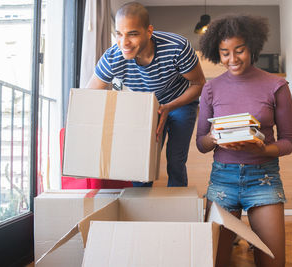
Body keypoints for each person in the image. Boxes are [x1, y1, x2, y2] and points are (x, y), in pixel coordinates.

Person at [196, 15, 292, 267]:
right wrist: (215, 137)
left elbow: (288, 142)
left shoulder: (276, 85)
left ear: (252, 47)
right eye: (224, 53)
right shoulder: (210, 89)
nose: (232, 59)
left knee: (272, 261)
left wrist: (264, 147)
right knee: (214, 259)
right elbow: (201, 144)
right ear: (216, 53)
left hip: (264, 178)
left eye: (239, 51)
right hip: (222, 180)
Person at [86, 2, 206, 187]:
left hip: (180, 102)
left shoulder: (177, 47)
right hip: (147, 106)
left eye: (132, 34)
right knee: (141, 160)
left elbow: (199, 84)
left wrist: (169, 107)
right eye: (119, 34)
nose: (124, 43)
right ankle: (141, 206)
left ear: (149, 31)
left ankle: (178, 205)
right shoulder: (112, 58)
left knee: (175, 160)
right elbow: (89, 97)